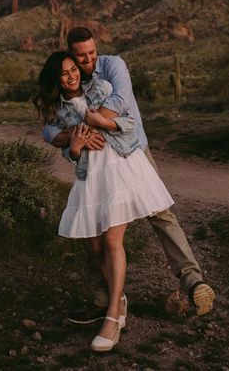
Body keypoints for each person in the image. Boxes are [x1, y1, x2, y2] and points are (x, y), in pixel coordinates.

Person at [42, 27, 215, 321]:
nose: (88, 61)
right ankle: (102, 299)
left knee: (161, 214)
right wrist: (69, 137)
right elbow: (50, 128)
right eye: (81, 57)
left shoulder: (112, 66)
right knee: (94, 226)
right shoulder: (73, 84)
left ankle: (192, 281)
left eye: (91, 53)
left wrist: (87, 126)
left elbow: (120, 103)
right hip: (98, 165)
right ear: (70, 54)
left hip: (133, 151)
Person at [34, 50, 175, 352]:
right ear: (55, 79)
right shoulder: (59, 113)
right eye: (64, 72)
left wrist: (99, 122)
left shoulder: (101, 89)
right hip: (90, 175)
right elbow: (68, 153)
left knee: (112, 240)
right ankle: (119, 299)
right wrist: (74, 144)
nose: (72, 75)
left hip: (120, 165)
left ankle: (112, 318)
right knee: (95, 244)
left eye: (74, 69)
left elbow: (129, 125)